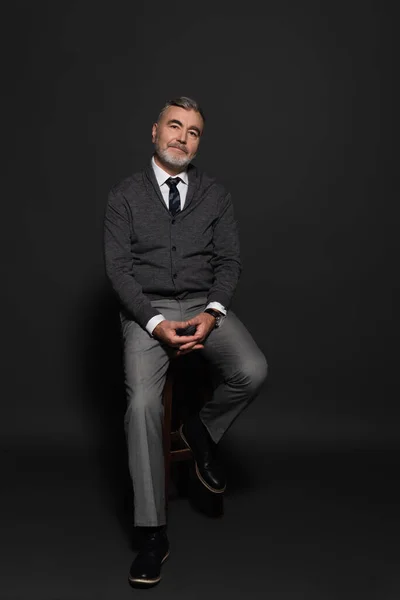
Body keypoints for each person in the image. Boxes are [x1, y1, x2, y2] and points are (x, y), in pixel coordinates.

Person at [104, 96, 268, 587]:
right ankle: (152, 532)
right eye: (175, 126)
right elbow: (119, 270)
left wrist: (212, 315)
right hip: (145, 313)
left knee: (252, 370)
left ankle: (199, 431)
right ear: (154, 133)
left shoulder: (215, 195)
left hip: (202, 304)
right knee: (142, 409)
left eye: (193, 131)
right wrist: (154, 323)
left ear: (199, 142)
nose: (182, 137)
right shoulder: (124, 196)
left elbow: (229, 262)